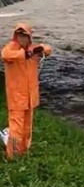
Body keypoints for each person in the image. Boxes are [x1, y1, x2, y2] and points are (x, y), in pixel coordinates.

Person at [1, 23, 51, 159]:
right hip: (16, 97)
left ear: (29, 37)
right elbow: (5, 55)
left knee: (27, 127)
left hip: (30, 97)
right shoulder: (11, 48)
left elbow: (47, 50)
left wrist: (41, 49)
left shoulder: (33, 49)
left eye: (25, 36)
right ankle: (12, 155)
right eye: (19, 36)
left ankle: (23, 151)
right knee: (16, 128)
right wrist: (25, 54)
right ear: (15, 36)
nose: (22, 39)